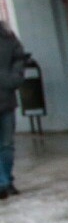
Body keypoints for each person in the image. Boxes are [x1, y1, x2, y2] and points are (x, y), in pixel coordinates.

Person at [0, 20, 28, 200]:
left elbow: (19, 56)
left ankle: (6, 181)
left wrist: (14, 77)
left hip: (6, 99)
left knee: (7, 145)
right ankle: (2, 183)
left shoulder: (6, 36)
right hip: (6, 95)